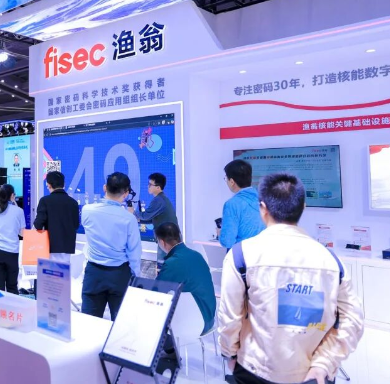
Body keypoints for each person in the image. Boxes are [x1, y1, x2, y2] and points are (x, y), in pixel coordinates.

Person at [218, 173, 364, 384]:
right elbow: (353, 319)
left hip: (254, 371)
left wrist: (230, 354)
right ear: (303, 206)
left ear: (262, 208)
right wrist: (325, 363)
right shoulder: (331, 261)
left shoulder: (240, 255)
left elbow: (230, 318)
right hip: (312, 375)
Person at [81, 172, 141, 320]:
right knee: (120, 324)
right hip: (119, 274)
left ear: (105, 187)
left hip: (94, 273)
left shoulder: (87, 210)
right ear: (126, 193)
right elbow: (134, 252)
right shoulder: (129, 219)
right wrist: (135, 276)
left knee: (89, 322)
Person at [155, 223, 216, 334]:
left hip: (195, 322)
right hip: (209, 317)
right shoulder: (197, 255)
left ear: (162, 242)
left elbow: (156, 292)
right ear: (180, 235)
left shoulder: (173, 263)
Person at [0, 184, 25, 294]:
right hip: (11, 252)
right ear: (12, 196)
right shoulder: (18, 211)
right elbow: (22, 234)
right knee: (12, 286)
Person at [33, 171, 80, 263]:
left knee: (49, 272)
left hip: (49, 247)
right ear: (64, 184)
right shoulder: (73, 203)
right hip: (67, 248)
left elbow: (38, 224)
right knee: (63, 271)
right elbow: (76, 225)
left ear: (49, 185)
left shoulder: (45, 201)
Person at [133, 172, 178, 265]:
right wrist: (139, 220)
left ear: (158, 187)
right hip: (168, 238)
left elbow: (145, 216)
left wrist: (133, 212)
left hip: (167, 239)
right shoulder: (162, 199)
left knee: (163, 265)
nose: (148, 186)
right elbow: (151, 218)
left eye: (150, 184)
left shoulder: (158, 200)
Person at [219, 160, 265, 249]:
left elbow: (227, 241)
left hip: (242, 255)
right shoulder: (263, 200)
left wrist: (220, 234)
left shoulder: (232, 204)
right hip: (263, 254)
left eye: (226, 178)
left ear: (232, 181)